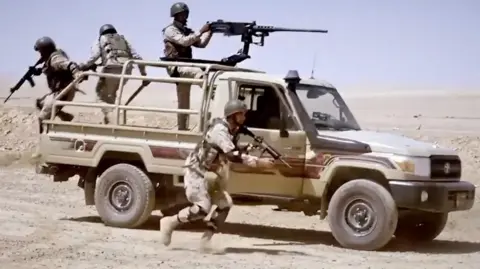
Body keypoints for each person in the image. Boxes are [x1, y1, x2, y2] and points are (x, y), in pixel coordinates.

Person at [159, 100, 275, 253]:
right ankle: (170, 222)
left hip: (211, 173)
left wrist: (247, 148)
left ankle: (205, 241)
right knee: (202, 208)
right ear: (233, 115)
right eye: (241, 114)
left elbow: (231, 149)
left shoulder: (230, 130)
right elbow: (232, 155)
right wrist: (259, 162)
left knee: (224, 205)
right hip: (197, 171)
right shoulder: (220, 130)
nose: (244, 117)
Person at [80, 24, 149, 124]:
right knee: (111, 95)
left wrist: (83, 66)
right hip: (127, 70)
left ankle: (112, 121)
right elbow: (137, 57)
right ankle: (108, 122)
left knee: (100, 96)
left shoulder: (100, 39)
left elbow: (94, 56)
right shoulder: (122, 39)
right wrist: (144, 75)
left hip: (111, 70)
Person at [163, 2, 213, 130]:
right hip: (177, 67)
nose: (184, 17)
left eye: (185, 14)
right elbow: (184, 42)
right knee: (199, 73)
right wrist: (201, 31)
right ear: (175, 15)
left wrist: (210, 33)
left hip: (185, 67)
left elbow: (201, 44)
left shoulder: (186, 31)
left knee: (183, 103)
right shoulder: (170, 30)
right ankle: (214, 93)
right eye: (181, 14)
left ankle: (182, 129)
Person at [31, 36, 83, 133]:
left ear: (45, 51)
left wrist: (77, 73)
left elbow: (69, 64)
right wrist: (39, 70)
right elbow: (52, 69)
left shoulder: (55, 59)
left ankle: (45, 139)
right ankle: (64, 116)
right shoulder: (53, 56)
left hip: (63, 92)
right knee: (40, 103)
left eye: (41, 51)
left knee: (42, 118)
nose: (40, 54)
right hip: (61, 91)